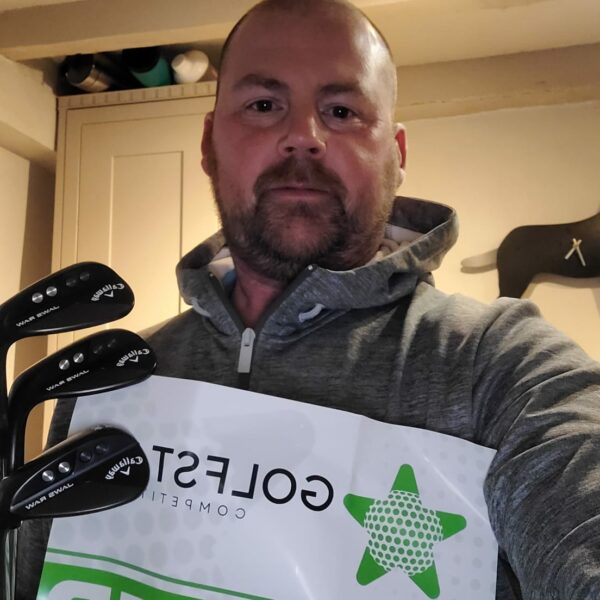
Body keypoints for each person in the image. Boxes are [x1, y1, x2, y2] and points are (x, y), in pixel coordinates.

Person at [17, 0, 600, 598]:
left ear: (396, 155)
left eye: (342, 111)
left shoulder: (499, 368)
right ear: (210, 144)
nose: (303, 136)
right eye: (263, 105)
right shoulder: (107, 384)